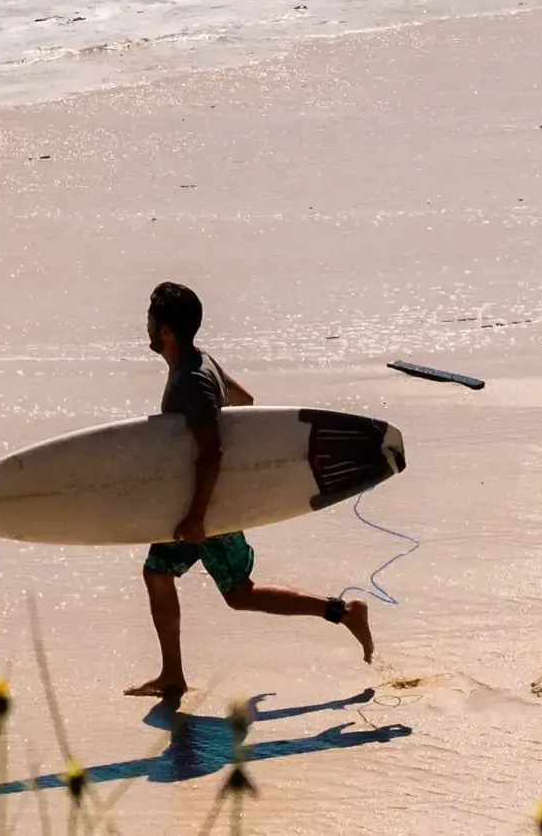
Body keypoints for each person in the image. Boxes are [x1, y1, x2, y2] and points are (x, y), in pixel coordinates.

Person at [125, 281, 375, 701]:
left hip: (207, 507)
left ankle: (345, 612)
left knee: (241, 594)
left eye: (150, 320)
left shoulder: (191, 381)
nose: (145, 326)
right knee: (158, 572)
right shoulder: (200, 362)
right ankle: (172, 675)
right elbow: (246, 401)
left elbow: (212, 452)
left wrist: (200, 516)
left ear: (164, 329)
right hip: (192, 502)